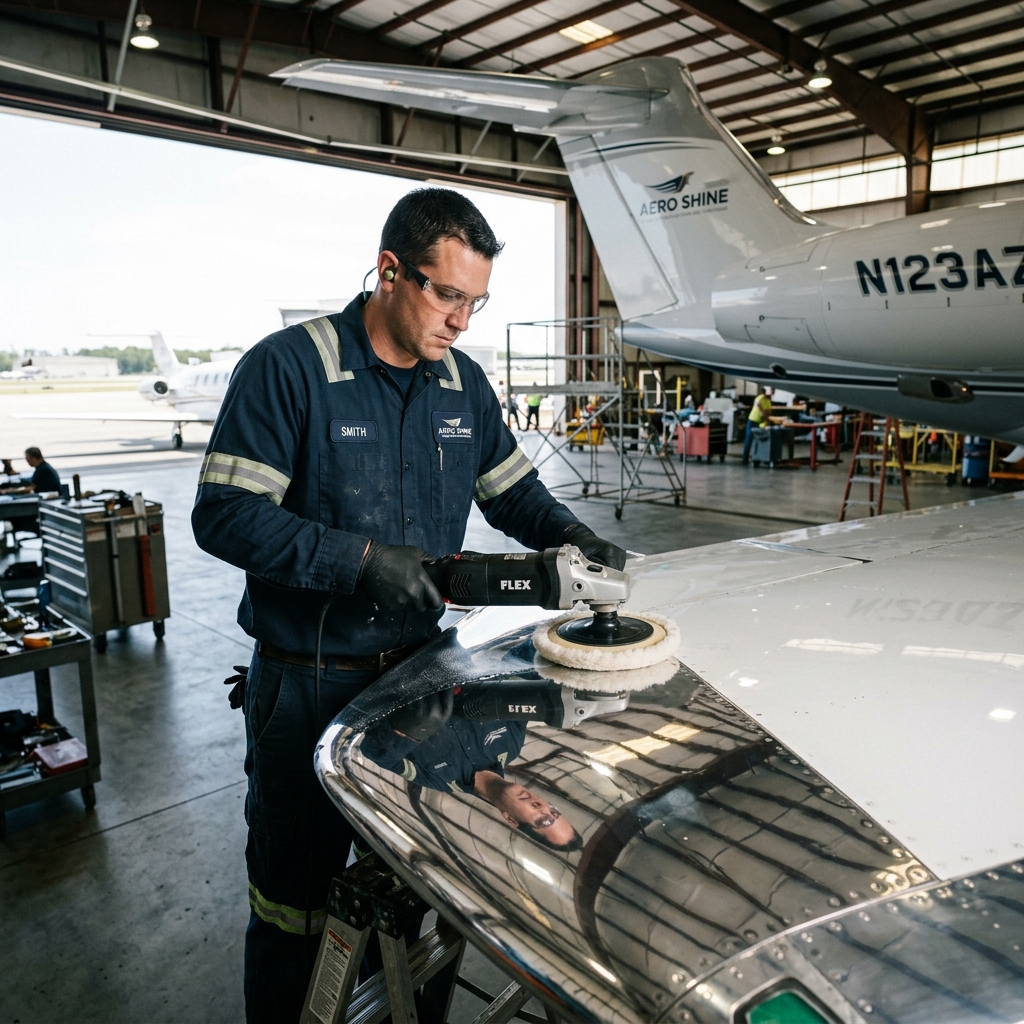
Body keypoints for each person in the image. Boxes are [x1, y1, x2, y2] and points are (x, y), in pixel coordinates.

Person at [191, 187, 625, 1023]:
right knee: (295, 905)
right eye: (448, 294)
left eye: (477, 301)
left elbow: (513, 492)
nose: (462, 320)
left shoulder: (462, 383)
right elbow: (225, 515)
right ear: (390, 271)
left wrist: (573, 537)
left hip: (421, 685)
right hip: (309, 683)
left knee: (411, 890)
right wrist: (358, 562)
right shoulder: (290, 369)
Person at [742, 385, 774, 465]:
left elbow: (769, 412)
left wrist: (767, 421)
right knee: (749, 439)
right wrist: (764, 413)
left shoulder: (768, 401)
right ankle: (745, 459)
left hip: (759, 422)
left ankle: (758, 458)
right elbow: (758, 405)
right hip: (752, 421)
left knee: (760, 441)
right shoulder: (760, 398)